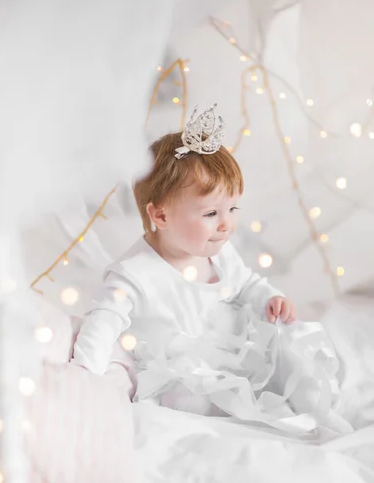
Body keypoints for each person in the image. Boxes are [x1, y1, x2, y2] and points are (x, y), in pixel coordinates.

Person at [73, 105, 348, 435]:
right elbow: (101, 323)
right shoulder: (134, 275)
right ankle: (241, 426)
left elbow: (247, 283)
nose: (226, 224)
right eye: (210, 214)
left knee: (292, 341)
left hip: (234, 348)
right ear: (160, 217)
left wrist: (269, 298)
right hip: (184, 368)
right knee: (191, 396)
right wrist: (82, 377)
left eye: (232, 208)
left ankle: (315, 411)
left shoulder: (218, 253)